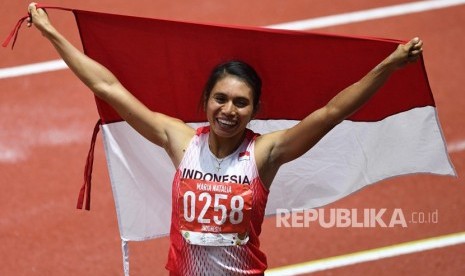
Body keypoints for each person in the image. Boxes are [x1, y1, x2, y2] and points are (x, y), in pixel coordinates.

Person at [27, 2, 423, 275]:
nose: (228, 110)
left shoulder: (266, 153)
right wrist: (51, 33)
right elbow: (107, 86)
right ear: (205, 100)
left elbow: (332, 113)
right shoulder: (180, 141)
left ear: (255, 109)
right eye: (220, 99)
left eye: (241, 102)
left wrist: (388, 66)